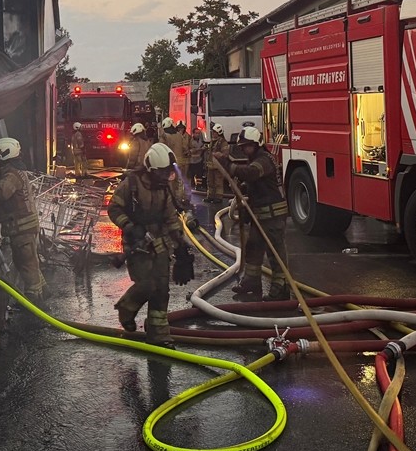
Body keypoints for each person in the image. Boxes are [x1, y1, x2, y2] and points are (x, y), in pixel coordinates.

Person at [108, 143, 193, 346]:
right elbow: (114, 209)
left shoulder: (163, 187)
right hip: (137, 244)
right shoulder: (131, 184)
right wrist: (129, 226)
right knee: (147, 285)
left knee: (162, 289)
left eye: (167, 172)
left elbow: (171, 217)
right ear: (151, 169)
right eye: (162, 172)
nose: (165, 176)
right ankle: (126, 309)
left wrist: (180, 244)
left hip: (160, 243)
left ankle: (159, 336)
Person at [214, 127, 291, 301]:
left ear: (257, 144)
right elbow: (255, 183)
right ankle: (251, 281)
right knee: (253, 247)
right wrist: (243, 189)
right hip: (261, 215)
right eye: (242, 147)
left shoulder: (264, 160)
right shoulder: (256, 158)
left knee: (275, 252)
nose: (244, 150)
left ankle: (281, 288)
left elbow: (251, 174)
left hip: (272, 216)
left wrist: (229, 165)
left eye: (247, 146)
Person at [0, 136, 45, 300]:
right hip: (23, 227)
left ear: (4, 154)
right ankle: (43, 291)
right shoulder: (13, 169)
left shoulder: (12, 175)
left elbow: (1, 192)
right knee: (27, 261)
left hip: (22, 228)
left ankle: (35, 301)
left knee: (26, 264)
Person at [206, 123, 228, 203]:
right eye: (213, 132)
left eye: (215, 132)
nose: (213, 134)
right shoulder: (212, 141)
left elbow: (225, 154)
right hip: (211, 166)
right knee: (210, 182)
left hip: (218, 166)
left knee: (218, 182)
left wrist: (219, 155)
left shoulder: (223, 142)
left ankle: (219, 197)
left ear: (219, 132)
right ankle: (210, 196)